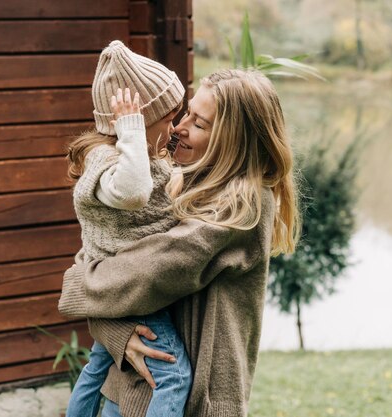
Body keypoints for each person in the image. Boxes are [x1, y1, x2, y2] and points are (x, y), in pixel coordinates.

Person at [59, 68, 300, 417]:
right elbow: (103, 251)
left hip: (192, 404)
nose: (179, 127)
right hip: (133, 392)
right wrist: (115, 329)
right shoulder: (179, 180)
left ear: (234, 140)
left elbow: (147, 271)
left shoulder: (242, 206)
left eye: (200, 124)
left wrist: (78, 286)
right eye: (187, 113)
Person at [64, 40, 192, 417]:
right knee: (173, 377)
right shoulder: (105, 163)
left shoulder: (144, 156)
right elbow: (135, 193)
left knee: (96, 367)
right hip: (128, 288)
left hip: (120, 284)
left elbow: (155, 187)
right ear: (135, 121)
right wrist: (132, 130)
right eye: (168, 120)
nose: (175, 129)